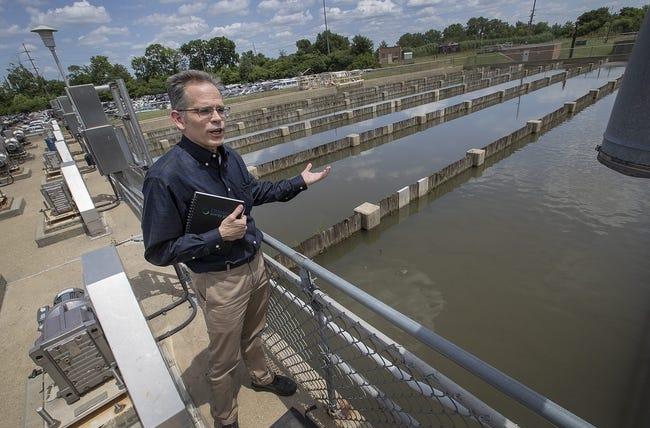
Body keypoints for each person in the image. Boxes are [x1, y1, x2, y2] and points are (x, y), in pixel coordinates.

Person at [141, 70, 331, 428]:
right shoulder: (165, 177)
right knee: (223, 359)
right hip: (219, 279)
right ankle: (225, 418)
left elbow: (252, 193)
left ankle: (260, 378)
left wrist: (298, 183)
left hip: (254, 264)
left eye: (220, 109)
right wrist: (218, 235)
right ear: (178, 119)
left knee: (255, 332)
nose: (216, 118)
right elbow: (159, 251)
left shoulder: (227, 156)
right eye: (204, 111)